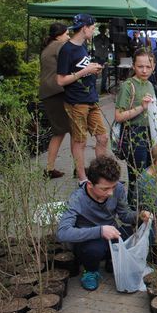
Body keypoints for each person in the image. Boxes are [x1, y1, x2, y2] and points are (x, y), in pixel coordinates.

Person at [57, 155, 152, 290]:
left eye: (113, 187)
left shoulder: (117, 188)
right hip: (90, 239)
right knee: (93, 250)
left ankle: (112, 261)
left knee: (136, 234)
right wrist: (100, 231)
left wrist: (140, 215)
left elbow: (125, 215)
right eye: (104, 189)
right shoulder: (77, 199)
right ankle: (90, 271)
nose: (111, 193)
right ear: (90, 184)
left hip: (112, 233)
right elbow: (62, 232)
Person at [115, 48, 157, 205]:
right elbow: (118, 116)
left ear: (154, 67)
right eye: (140, 66)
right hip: (133, 135)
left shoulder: (149, 84)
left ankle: (148, 206)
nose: (144, 70)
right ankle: (134, 210)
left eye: (148, 67)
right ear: (133, 66)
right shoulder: (128, 86)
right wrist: (141, 107)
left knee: (151, 172)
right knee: (137, 175)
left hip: (150, 133)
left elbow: (153, 111)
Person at [56, 14, 108, 185]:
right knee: (80, 141)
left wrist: (93, 70)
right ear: (85, 28)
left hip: (91, 99)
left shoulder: (83, 45)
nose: (93, 31)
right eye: (92, 28)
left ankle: (100, 174)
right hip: (76, 101)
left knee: (102, 138)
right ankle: (82, 179)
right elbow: (61, 80)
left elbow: (82, 68)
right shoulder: (66, 50)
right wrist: (84, 72)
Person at [40, 23, 71, 179]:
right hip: (55, 92)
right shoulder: (60, 46)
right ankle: (51, 169)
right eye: (66, 34)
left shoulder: (49, 46)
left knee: (61, 131)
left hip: (49, 92)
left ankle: (50, 168)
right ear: (59, 35)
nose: (68, 37)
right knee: (63, 131)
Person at [93, 25, 111, 94]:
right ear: (100, 30)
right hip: (98, 57)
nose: (103, 31)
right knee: (95, 74)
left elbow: (109, 47)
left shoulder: (107, 38)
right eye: (102, 30)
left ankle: (103, 89)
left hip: (105, 57)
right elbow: (97, 45)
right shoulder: (96, 38)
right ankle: (93, 89)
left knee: (105, 75)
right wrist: (102, 40)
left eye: (104, 30)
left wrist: (110, 51)